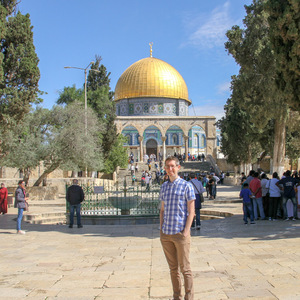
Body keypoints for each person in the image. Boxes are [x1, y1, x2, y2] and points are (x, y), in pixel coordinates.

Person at [160, 156, 195, 300]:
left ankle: (189, 297)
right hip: (166, 234)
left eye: (172, 166)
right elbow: (162, 210)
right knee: (173, 269)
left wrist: (186, 231)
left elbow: (191, 211)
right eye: (167, 166)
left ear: (178, 167)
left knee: (185, 269)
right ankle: (177, 296)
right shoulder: (164, 187)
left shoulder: (187, 186)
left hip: (180, 234)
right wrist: (161, 228)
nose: (170, 169)